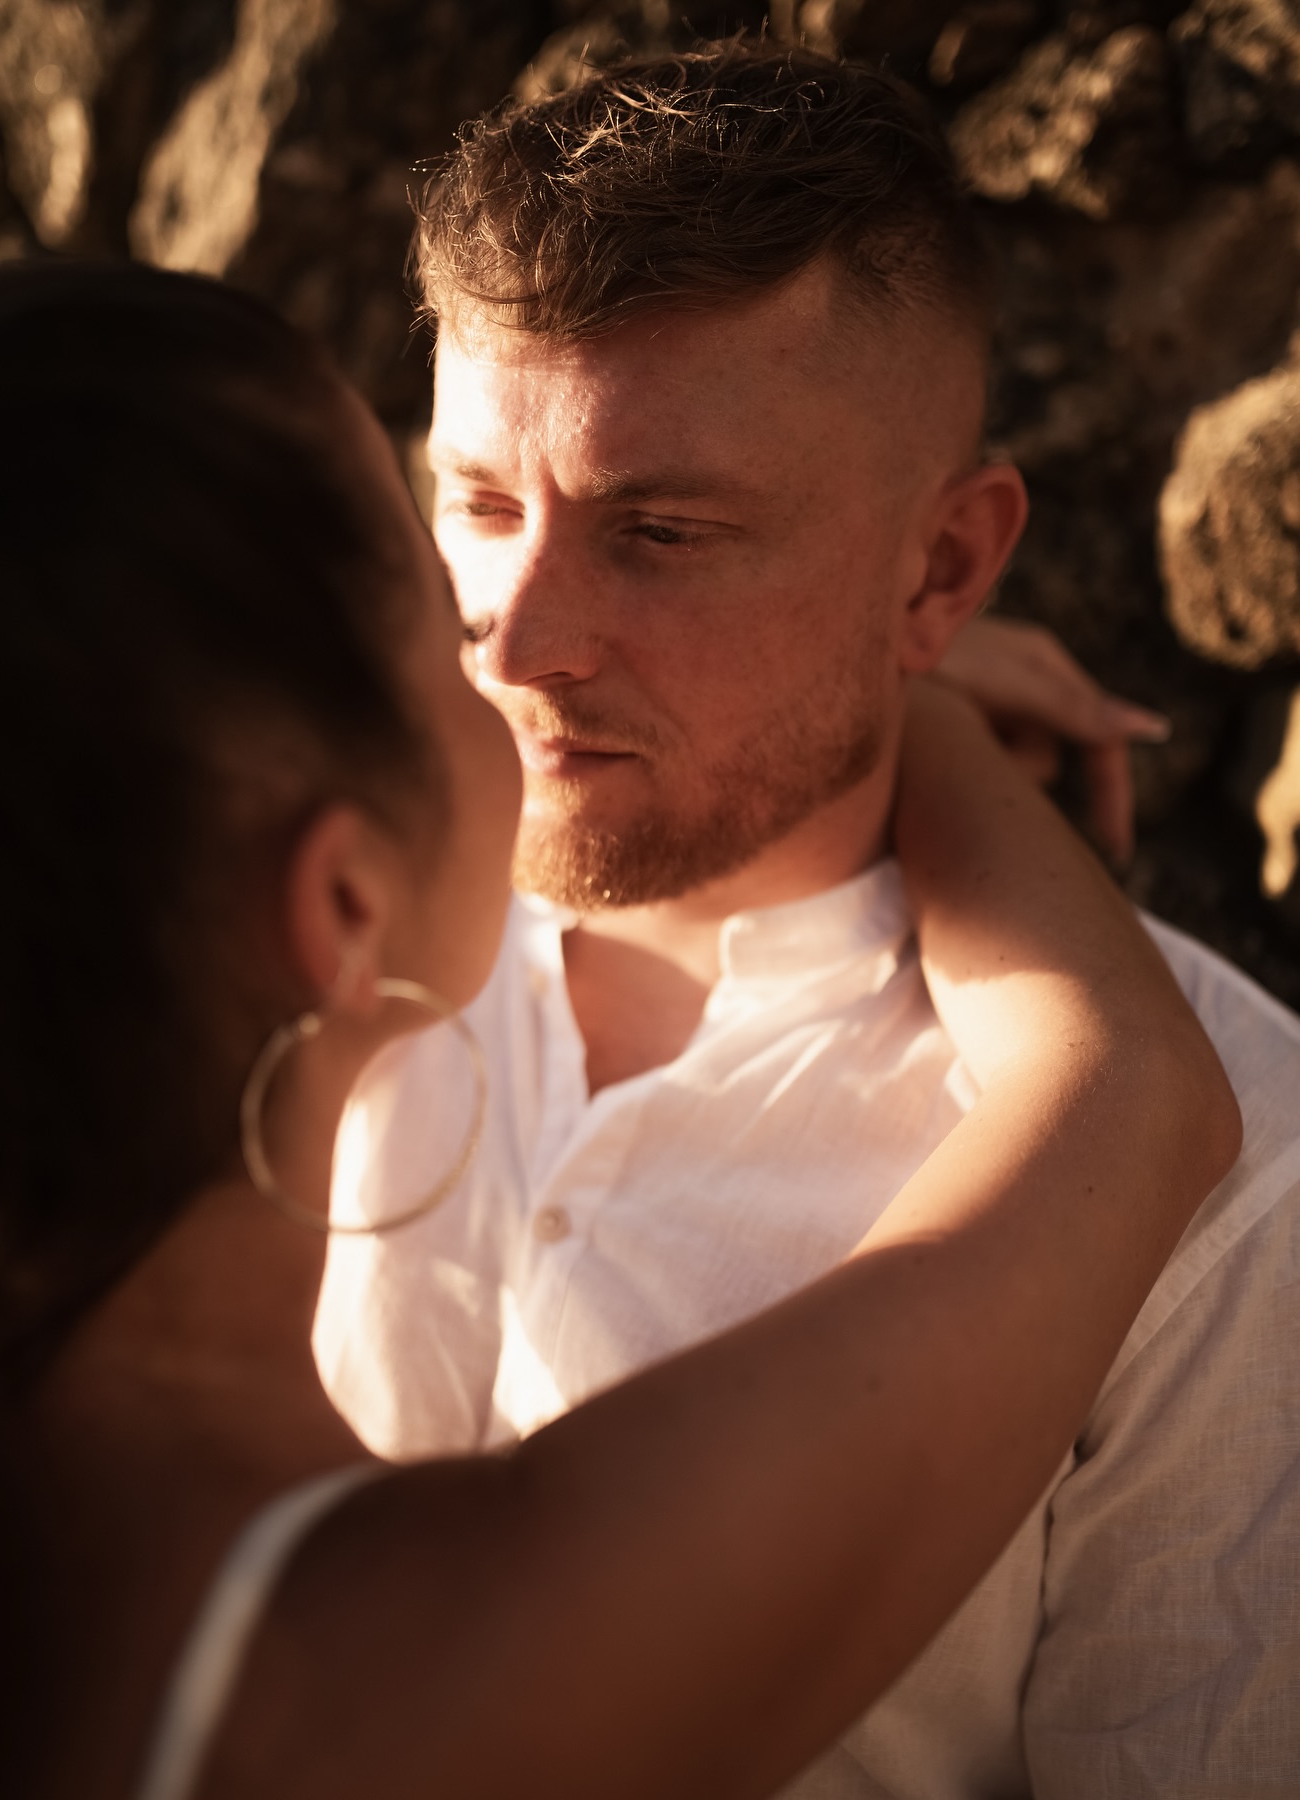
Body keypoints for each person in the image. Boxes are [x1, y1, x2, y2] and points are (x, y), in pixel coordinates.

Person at [0, 261, 1240, 1800]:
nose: (509, 652)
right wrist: (895, 691)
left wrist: (841, 644)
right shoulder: (419, 1672)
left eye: (656, 536)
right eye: (429, 572)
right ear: (340, 902)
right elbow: (1133, 1102)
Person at [314, 41, 1300, 1799]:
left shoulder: (1238, 1171)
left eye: (663, 532)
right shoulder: (280, 913)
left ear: (941, 572)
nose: (516, 639)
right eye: (479, 502)